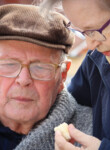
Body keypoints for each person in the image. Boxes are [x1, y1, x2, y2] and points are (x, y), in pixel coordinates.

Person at [40, 0, 110, 150]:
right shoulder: (96, 60)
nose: (90, 45)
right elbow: (72, 105)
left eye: (97, 29)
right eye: (81, 31)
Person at [0, 4, 93, 150]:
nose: (23, 80)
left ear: (62, 76)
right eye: (9, 64)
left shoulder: (91, 134)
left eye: (40, 67)